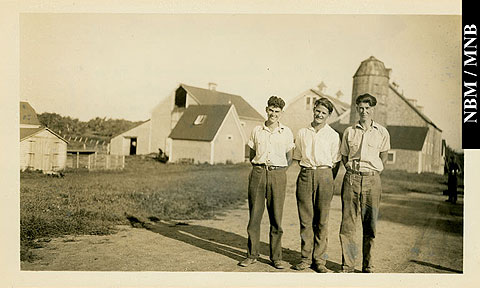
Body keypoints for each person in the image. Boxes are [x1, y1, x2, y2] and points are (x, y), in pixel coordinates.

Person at [238, 95, 295, 269]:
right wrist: (260, 169)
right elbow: (251, 155)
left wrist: (277, 172)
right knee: (254, 216)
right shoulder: (257, 130)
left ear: (281, 113)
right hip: (258, 173)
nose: (273, 114)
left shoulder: (286, 132)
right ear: (266, 110)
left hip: (278, 174)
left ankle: (276, 257)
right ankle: (251, 254)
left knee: (276, 217)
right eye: (271, 110)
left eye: (277, 111)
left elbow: (289, 157)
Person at [339, 93, 390, 273]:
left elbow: (383, 155)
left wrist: (372, 170)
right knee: (348, 224)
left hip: (372, 179)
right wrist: (351, 168)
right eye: (360, 108)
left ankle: (368, 265)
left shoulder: (382, 132)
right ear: (356, 109)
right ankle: (348, 265)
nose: (364, 111)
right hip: (352, 178)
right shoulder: (349, 131)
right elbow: (344, 155)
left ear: (373, 110)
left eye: (367, 108)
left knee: (370, 224)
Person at [291, 97, 341, 273]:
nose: (320, 114)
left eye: (324, 113)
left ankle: (319, 260)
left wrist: (324, 176)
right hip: (305, 174)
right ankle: (305, 258)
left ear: (328, 116)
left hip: (325, 175)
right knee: (306, 220)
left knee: (322, 220)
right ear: (313, 110)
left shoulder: (333, 135)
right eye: (317, 111)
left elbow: (335, 162)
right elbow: (297, 157)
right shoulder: (302, 132)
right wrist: (308, 171)